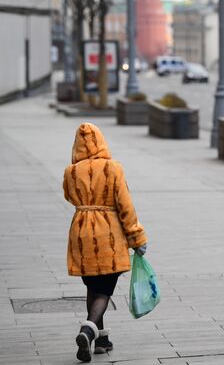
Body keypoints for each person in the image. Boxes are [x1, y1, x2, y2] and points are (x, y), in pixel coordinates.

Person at [63, 123, 148, 362]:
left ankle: (100, 340)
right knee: (105, 289)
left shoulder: (71, 171)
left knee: (92, 286)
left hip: (80, 232)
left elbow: (69, 196)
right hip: (107, 234)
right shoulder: (113, 168)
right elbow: (126, 207)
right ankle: (88, 329)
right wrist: (137, 238)